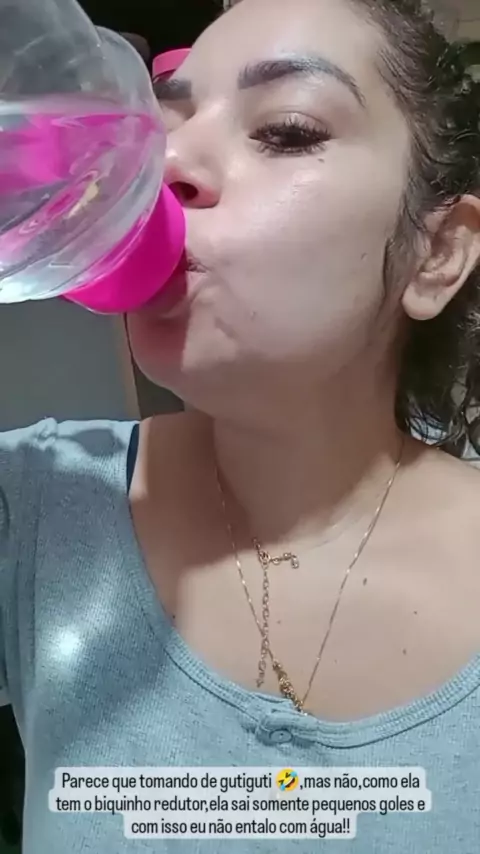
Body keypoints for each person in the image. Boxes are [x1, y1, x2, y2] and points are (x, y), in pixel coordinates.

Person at [1, 0, 480, 851]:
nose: (164, 161)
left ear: (436, 252)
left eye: (286, 131)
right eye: (163, 123)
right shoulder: (33, 504)